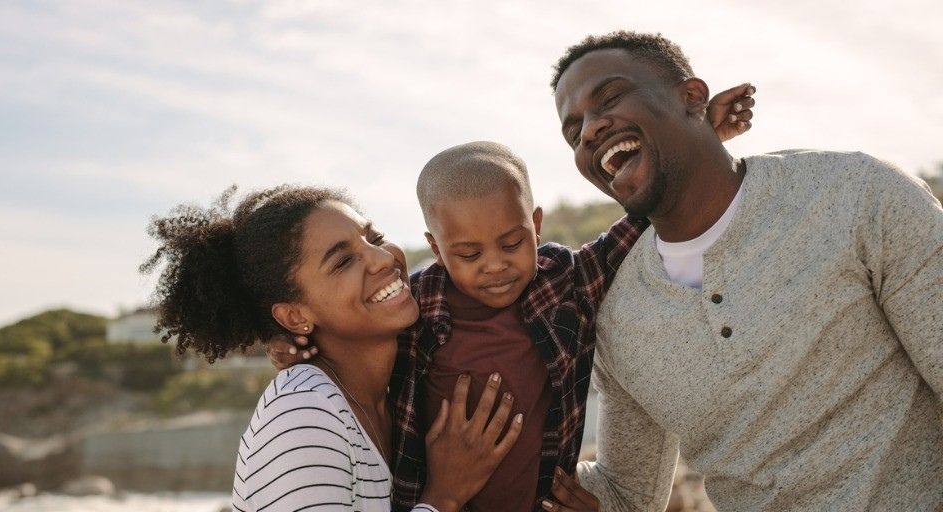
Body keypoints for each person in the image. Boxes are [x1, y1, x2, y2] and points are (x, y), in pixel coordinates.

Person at [267, 81, 754, 510]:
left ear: (536, 226)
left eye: (512, 243)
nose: (495, 265)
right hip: (431, 500)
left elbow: (639, 221)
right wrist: (301, 347)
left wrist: (697, 142)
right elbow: (354, 339)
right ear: (436, 249)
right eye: (469, 253)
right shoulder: (419, 304)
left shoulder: (562, 281)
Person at [547, 31, 943, 511]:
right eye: (574, 133)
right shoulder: (618, 315)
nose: (588, 131)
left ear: (692, 97)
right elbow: (626, 494)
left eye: (609, 97)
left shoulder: (856, 195)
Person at [141, 185, 524, 512]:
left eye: (373, 237)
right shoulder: (302, 415)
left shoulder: (393, 389)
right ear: (294, 316)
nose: (383, 258)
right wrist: (443, 496)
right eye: (343, 262)